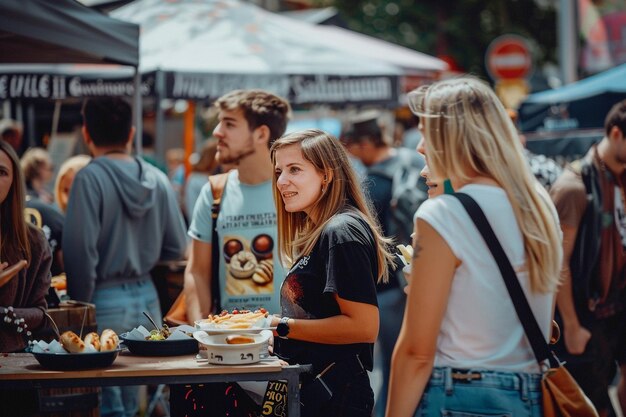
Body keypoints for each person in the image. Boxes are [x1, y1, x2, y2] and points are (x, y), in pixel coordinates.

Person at [386, 77, 562, 417]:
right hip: (530, 393)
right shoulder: (538, 204)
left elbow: (416, 353)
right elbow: (546, 324)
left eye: (426, 132)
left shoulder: (443, 214)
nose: (420, 147)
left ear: (453, 137)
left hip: (460, 392)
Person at [62, 97, 188, 417]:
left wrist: (79, 311)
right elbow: (176, 248)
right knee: (137, 402)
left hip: (102, 297)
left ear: (87, 133)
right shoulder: (158, 178)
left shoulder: (89, 178)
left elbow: (80, 254)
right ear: (131, 133)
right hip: (148, 297)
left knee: (109, 403)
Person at [269, 129, 394, 417]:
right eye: (279, 171)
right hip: (318, 393)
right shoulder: (326, 229)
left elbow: (363, 327)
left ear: (326, 175)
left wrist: (279, 325)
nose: (282, 181)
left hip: (336, 397)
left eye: (295, 170)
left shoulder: (341, 231)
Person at [342, 110, 427, 417]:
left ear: (365, 144)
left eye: (352, 145)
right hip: (414, 275)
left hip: (387, 286)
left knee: (394, 363)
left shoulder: (371, 185)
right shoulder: (414, 161)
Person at [185, 89, 291, 322]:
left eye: (229, 124)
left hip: (289, 339)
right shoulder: (213, 193)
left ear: (261, 134)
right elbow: (197, 271)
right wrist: (202, 330)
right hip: (229, 337)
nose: (216, 132)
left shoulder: (292, 190)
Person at [549, 99, 626, 417]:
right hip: (587, 317)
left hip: (618, 310)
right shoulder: (574, 187)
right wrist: (571, 325)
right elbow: (558, 262)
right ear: (617, 134)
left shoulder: (620, 178)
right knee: (592, 409)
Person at [0, 140, 52, 353]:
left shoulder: (33, 241)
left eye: (1, 172)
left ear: (14, 181)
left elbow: (40, 314)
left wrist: (3, 314)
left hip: (16, 367)